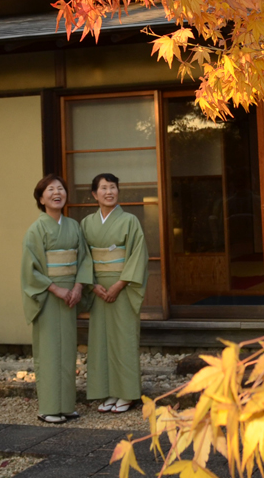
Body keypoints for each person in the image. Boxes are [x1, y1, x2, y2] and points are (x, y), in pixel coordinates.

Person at [21, 173, 91, 424]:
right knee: (50, 351)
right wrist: (56, 289)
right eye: (50, 190)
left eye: (60, 188)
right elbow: (31, 269)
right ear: (41, 198)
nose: (56, 193)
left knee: (66, 350)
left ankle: (66, 405)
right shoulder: (36, 229)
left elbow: (84, 259)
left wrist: (78, 287)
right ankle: (49, 407)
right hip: (49, 296)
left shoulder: (73, 226)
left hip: (70, 293)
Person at [81, 172, 148, 413]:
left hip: (123, 287)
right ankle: (107, 392)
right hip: (99, 288)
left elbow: (138, 255)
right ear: (94, 194)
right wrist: (92, 284)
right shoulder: (87, 223)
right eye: (103, 188)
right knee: (100, 341)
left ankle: (127, 394)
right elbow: (84, 257)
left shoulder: (130, 220)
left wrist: (120, 285)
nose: (109, 192)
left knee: (124, 340)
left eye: (113, 187)